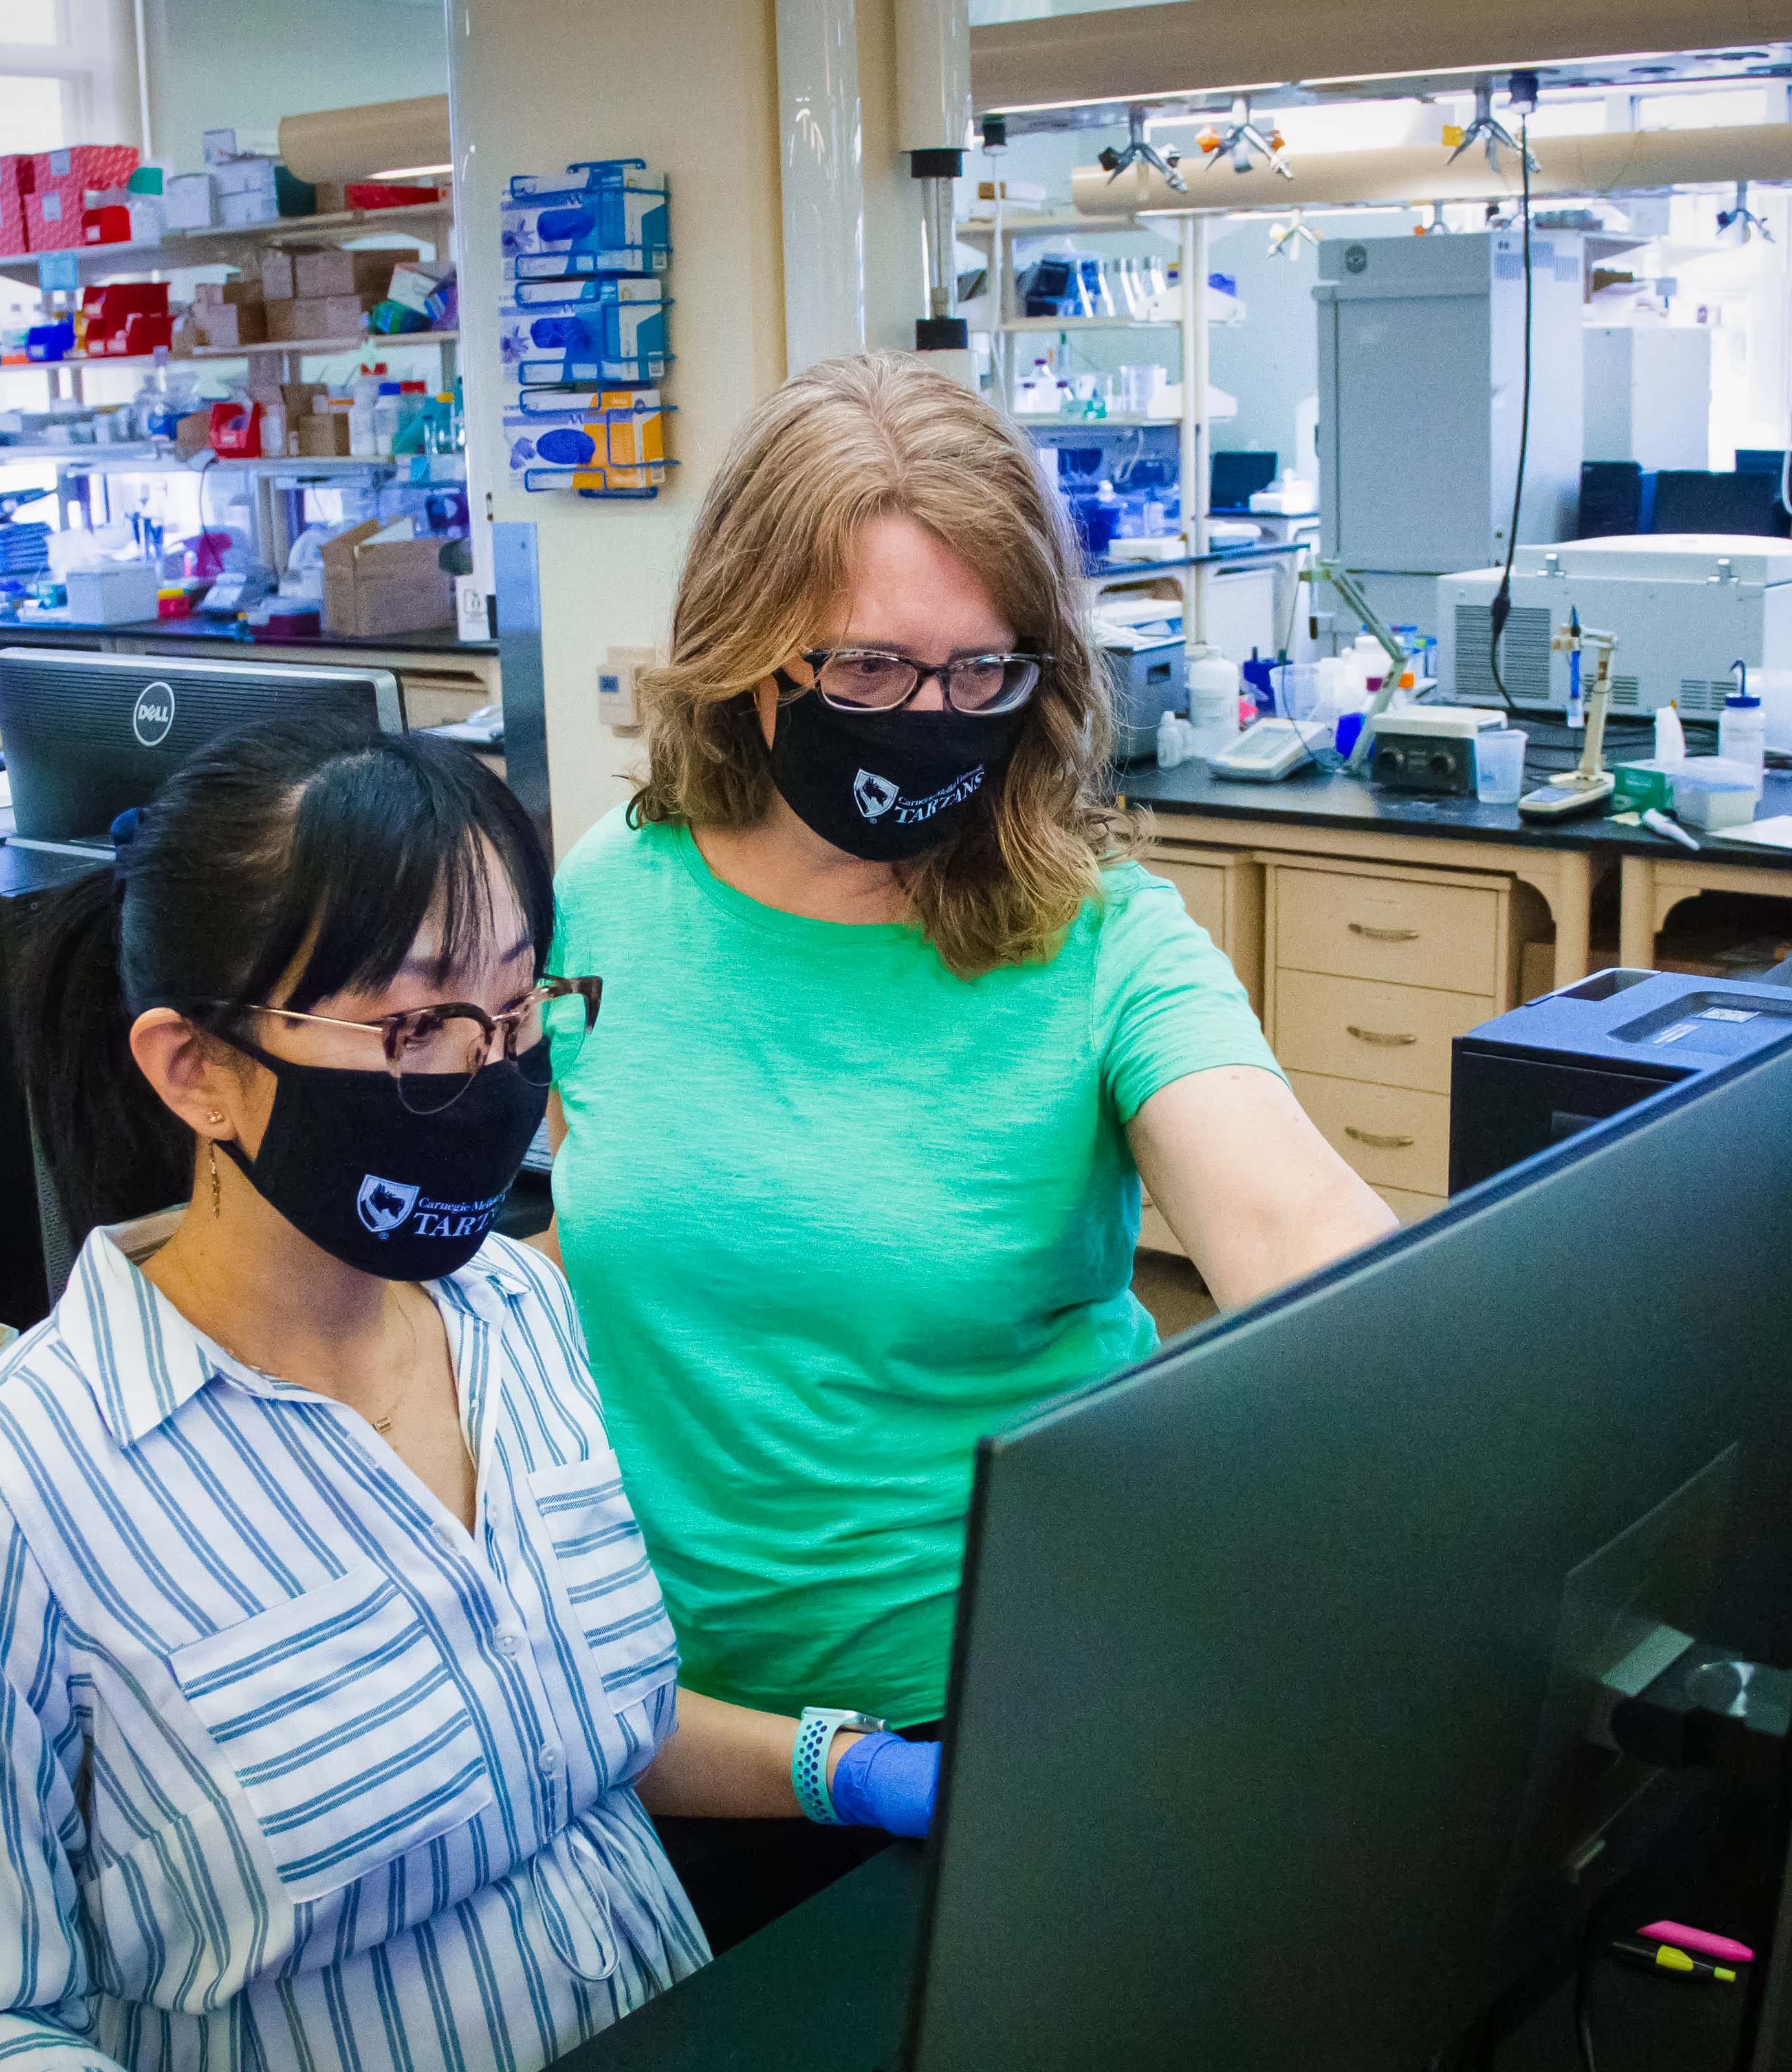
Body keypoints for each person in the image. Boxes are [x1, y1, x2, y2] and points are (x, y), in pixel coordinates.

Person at [0, 717, 938, 2071]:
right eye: (421, 1024)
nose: (493, 1074)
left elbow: (584, 1723)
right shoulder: (8, 1491)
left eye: (518, 1006)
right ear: (196, 1069)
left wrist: (846, 1767)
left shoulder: (518, 1313)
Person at [543, 354, 1395, 1941]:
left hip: (992, 1721)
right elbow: (601, 1216)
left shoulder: (1101, 943)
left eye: (978, 673)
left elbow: (1291, 1233)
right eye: (865, 669)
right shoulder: (609, 889)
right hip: (663, 1730)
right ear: (747, 651)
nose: (926, 721)